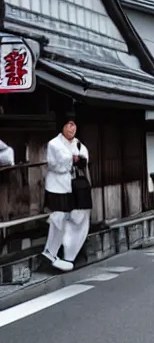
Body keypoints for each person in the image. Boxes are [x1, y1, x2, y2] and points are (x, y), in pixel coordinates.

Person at [42, 115, 92, 271]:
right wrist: (74, 159)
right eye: (69, 125)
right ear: (62, 127)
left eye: (74, 125)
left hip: (76, 187)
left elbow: (84, 159)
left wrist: (75, 159)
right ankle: (50, 252)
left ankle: (70, 255)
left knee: (80, 216)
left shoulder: (78, 144)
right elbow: (58, 163)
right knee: (59, 216)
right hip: (58, 185)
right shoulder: (54, 144)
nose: (72, 128)